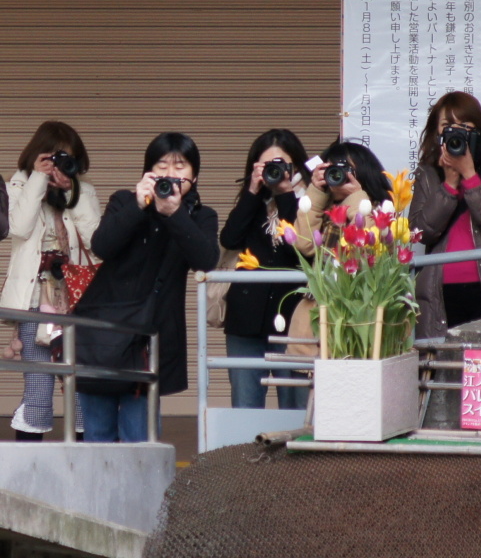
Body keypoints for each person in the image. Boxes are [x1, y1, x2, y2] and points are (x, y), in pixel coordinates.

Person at [75, 132, 219, 442]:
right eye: (161, 164)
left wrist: (175, 214)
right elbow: (102, 245)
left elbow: (205, 261)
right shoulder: (125, 202)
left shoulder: (200, 216)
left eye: (180, 166)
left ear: (195, 174)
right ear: (147, 171)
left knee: (138, 437)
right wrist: (138, 208)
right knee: (96, 435)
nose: (170, 173)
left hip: (148, 339)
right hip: (102, 333)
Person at [0, 121, 101, 441]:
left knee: (80, 383)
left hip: (76, 295)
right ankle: (29, 466)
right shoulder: (18, 185)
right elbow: (19, 228)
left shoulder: (83, 191)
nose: (59, 164)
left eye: (66, 158)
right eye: (53, 157)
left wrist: (73, 191)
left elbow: (96, 244)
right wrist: (38, 179)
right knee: (39, 385)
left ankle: (84, 458)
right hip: (34, 295)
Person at [409, 91, 481, 340]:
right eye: (447, 126)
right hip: (438, 292)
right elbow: (420, 231)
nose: (455, 133)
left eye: (463, 125)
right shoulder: (428, 173)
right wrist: (450, 183)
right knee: (443, 368)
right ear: (436, 133)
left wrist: (470, 175)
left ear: (478, 128)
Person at [219, 129, 310, 409]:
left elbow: (301, 248)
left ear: (296, 167)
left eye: (282, 165)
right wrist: (252, 191)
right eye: (267, 165)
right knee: (245, 405)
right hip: (245, 322)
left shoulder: (309, 203)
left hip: (293, 320)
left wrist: (285, 194)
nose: (275, 171)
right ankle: (246, 454)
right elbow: (230, 239)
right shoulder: (251, 204)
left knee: (294, 407)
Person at [286, 140, 392, 358]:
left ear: (364, 173)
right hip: (317, 322)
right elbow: (304, 244)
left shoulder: (381, 211)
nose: (338, 176)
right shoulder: (323, 210)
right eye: (332, 169)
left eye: (346, 170)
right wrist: (315, 192)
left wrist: (357, 197)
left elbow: (373, 245)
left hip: (360, 322)